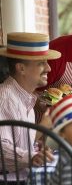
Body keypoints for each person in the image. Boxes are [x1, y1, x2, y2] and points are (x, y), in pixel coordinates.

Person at [0, 32, 61, 183]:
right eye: (41, 63)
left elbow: (17, 143)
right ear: (21, 68)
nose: (48, 68)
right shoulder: (4, 98)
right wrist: (32, 156)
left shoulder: (26, 97)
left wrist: (36, 148)